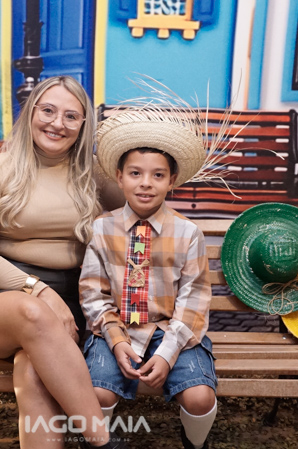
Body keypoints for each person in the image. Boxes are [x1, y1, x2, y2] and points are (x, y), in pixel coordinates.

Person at [0, 75, 126, 449]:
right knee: (32, 314)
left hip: (70, 301)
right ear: (31, 113)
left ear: (83, 125)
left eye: (70, 116)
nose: (57, 123)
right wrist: (39, 291)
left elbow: (144, 211)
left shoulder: (93, 173)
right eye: (47, 111)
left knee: (31, 369)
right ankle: (102, 442)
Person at [80, 101, 220, 449]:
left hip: (174, 331)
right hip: (115, 330)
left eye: (158, 175)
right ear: (119, 177)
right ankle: (99, 442)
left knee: (200, 397)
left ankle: (195, 442)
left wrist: (167, 353)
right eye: (135, 173)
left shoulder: (188, 233)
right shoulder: (102, 229)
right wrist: (117, 340)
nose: (146, 184)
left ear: (172, 181)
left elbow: (193, 301)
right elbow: (93, 294)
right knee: (97, 393)